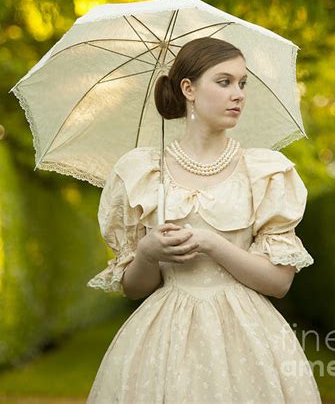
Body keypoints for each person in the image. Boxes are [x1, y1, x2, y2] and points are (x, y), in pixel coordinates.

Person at [86, 36, 322, 403]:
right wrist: (148, 252)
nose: (239, 94)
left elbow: (278, 283)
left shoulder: (263, 172)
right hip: (163, 339)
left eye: (242, 83)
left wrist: (213, 244)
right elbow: (136, 288)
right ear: (188, 89)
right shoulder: (144, 172)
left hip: (249, 340)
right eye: (224, 81)